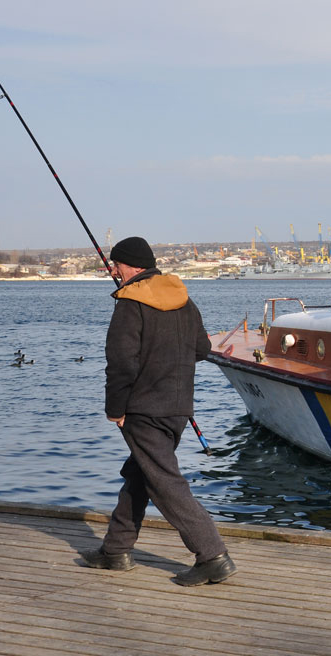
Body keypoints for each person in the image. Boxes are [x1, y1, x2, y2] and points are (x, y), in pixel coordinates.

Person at [80, 236, 236, 587]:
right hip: (178, 408)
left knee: (165, 482)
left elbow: (121, 362)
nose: (114, 271)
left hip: (142, 409)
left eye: (116, 264)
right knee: (141, 473)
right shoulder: (183, 299)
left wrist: (115, 408)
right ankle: (115, 551)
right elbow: (201, 348)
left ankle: (212, 556)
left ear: (131, 266)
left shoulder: (129, 303)